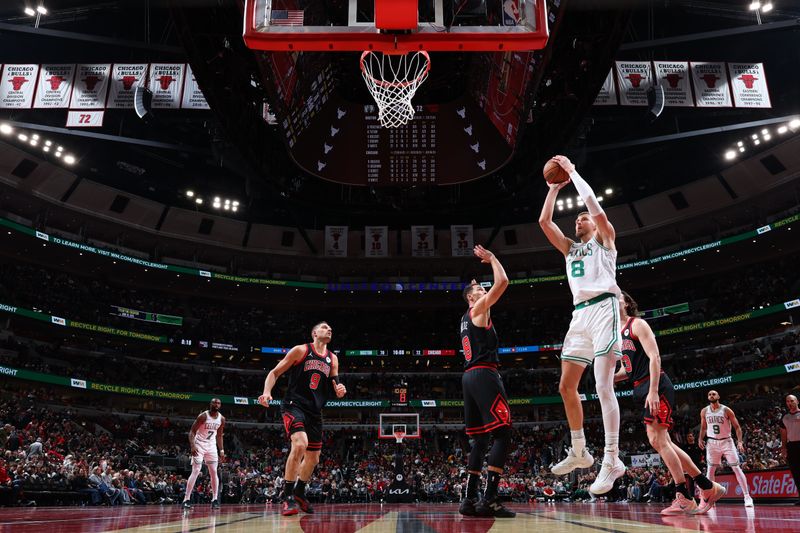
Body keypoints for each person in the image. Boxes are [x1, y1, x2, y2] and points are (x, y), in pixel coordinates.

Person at [538, 154, 623, 494]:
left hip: (604, 308)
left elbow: (596, 209)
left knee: (603, 386)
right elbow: (545, 223)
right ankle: (579, 450)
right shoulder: (570, 250)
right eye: (577, 220)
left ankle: (612, 457)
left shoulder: (605, 240)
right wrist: (554, 189)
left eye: (583, 219)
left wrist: (573, 172)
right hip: (579, 316)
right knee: (566, 387)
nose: (579, 221)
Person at [615, 291, 725, 515]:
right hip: (640, 386)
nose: (610, 300)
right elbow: (627, 369)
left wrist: (654, 391)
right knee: (664, 442)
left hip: (655, 385)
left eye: (615, 296)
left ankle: (684, 496)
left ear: (626, 303)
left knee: (657, 440)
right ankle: (707, 486)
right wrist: (606, 378)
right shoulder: (616, 334)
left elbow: (655, 357)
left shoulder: (638, 324)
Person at [258, 322, 347, 516]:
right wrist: (266, 392)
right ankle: (287, 496)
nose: (329, 329)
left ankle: (299, 492)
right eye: (324, 327)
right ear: (314, 333)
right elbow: (274, 372)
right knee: (300, 445)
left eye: (331, 328)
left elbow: (336, 383)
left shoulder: (333, 358)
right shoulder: (301, 350)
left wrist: (340, 390)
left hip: (315, 411)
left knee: (313, 458)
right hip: (294, 405)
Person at [458, 245, 515, 518]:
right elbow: (503, 282)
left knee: (479, 442)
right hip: (484, 373)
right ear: (471, 298)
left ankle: (468, 500)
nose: (484, 289)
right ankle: (490, 499)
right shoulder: (479, 308)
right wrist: (493, 258)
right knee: (503, 432)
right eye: (480, 289)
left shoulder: (464, 319)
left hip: (468, 377)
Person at [699, 390, 753, 507]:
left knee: (736, 468)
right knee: (710, 470)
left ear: (718, 396)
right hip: (712, 442)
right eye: (709, 394)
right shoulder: (704, 411)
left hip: (726, 441)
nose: (711, 395)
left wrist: (739, 442)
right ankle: (710, 498)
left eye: (714, 394)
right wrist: (700, 439)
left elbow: (737, 427)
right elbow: (703, 428)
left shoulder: (726, 410)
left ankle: (747, 496)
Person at [182, 398, 225, 510]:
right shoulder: (203, 416)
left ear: (220, 405)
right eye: (214, 402)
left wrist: (221, 451)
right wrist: (192, 445)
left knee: (214, 471)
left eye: (218, 403)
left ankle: (215, 499)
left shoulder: (222, 419)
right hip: (199, 445)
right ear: (210, 404)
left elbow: (219, 435)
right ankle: (186, 499)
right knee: (196, 470)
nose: (216, 404)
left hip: (211, 446)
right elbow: (192, 432)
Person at [779, 394, 800, 506]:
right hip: (792, 446)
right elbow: (783, 434)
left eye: (791, 401)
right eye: (787, 401)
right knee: (796, 473)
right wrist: (783, 448)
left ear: (797, 401)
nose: (789, 403)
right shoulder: (785, 417)